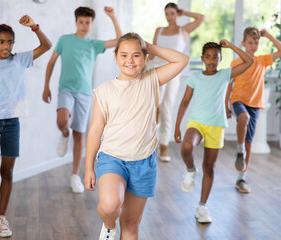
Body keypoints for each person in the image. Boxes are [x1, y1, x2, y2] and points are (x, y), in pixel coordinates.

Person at [85, 33, 189, 239]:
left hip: (144, 162)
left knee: (131, 224)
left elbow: (182, 60)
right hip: (112, 158)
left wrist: (150, 46)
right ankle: (108, 226)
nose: (129, 61)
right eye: (123, 55)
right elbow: (96, 130)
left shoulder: (151, 79)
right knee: (109, 206)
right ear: (115, 57)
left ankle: (115, 226)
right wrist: (88, 167)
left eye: (136, 55)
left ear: (144, 58)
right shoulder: (104, 91)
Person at [0, 16, 51, 237]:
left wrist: (35, 27)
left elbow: (46, 46)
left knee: (9, 172)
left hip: (13, 122)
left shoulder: (20, 60)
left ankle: (1, 218)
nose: (7, 46)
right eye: (2, 42)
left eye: (10, 42)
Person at [43, 6, 122, 193]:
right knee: (62, 120)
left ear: (91, 24)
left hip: (85, 94)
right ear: (76, 22)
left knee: (79, 134)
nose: (85, 25)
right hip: (66, 89)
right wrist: (46, 85)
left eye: (88, 22)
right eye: (81, 22)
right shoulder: (64, 40)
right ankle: (64, 134)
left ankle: (74, 175)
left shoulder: (94, 45)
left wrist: (112, 17)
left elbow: (120, 41)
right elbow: (51, 62)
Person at [174, 40, 253, 223]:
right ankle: (190, 170)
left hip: (216, 125)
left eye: (215, 57)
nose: (211, 60)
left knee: (209, 168)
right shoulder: (195, 78)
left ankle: (202, 207)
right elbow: (185, 102)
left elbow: (249, 62)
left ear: (220, 59)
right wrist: (177, 125)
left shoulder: (225, 75)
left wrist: (231, 46)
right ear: (202, 59)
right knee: (186, 148)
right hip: (197, 123)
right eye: (207, 57)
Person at [225, 27, 281, 193]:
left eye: (256, 42)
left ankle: (241, 179)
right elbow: (229, 85)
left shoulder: (262, 60)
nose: (253, 45)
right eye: (250, 42)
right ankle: (239, 151)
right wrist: (226, 106)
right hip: (238, 100)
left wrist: (268, 35)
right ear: (243, 44)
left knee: (249, 143)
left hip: (255, 104)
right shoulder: (236, 63)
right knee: (243, 118)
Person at [149, 2, 204, 162]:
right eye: (167, 14)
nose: (170, 17)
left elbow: (201, 18)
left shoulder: (183, 30)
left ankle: (164, 146)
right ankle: (155, 111)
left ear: (176, 14)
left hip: (174, 71)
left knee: (168, 107)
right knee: (156, 102)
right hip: (157, 67)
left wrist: (184, 12)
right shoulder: (159, 31)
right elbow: (152, 53)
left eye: (172, 13)